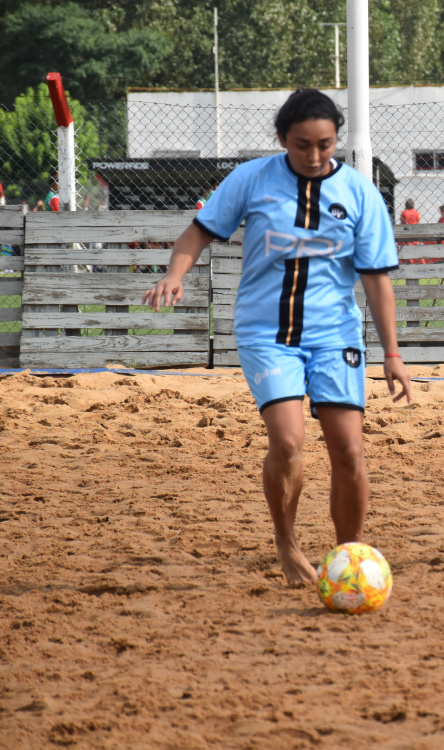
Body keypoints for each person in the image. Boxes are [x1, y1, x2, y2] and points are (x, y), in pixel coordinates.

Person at [142, 88, 413, 587]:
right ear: (282, 139)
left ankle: (346, 558)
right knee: (288, 443)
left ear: (337, 140)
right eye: (301, 145)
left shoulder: (360, 193)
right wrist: (174, 274)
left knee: (349, 451)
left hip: (335, 335)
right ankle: (286, 543)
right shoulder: (252, 179)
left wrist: (393, 353)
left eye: (325, 145)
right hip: (267, 333)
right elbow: (198, 232)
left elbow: (377, 279)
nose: (314, 156)